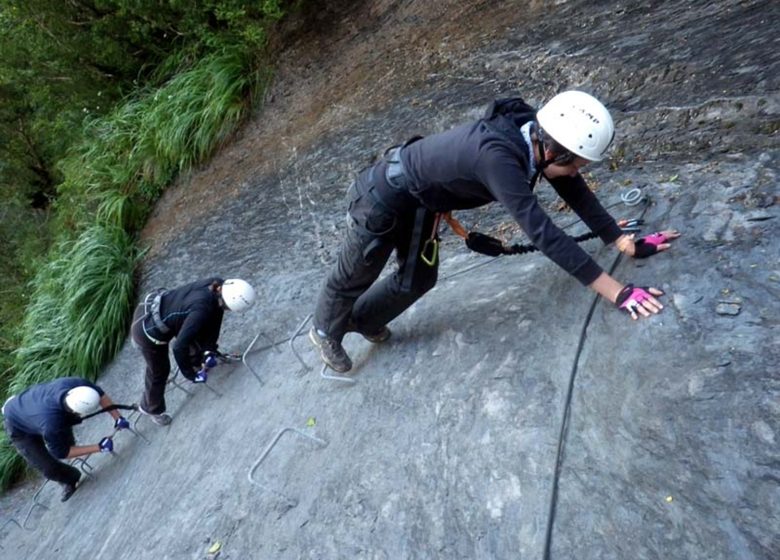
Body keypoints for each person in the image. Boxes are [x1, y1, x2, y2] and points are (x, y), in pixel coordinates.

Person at [309, 91, 680, 372]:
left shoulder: (538, 137)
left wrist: (621, 241)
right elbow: (544, 233)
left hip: (423, 200)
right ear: (556, 152)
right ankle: (325, 331)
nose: (575, 172)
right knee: (359, 270)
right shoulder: (498, 158)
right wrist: (618, 293)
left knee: (419, 278)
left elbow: (573, 187)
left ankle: (364, 320)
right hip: (382, 197)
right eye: (576, 164)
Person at [131, 277, 256, 425]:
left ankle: (198, 361)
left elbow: (215, 320)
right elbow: (178, 348)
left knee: (195, 331)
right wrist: (190, 375)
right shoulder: (201, 309)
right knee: (160, 370)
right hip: (146, 330)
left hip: (167, 309)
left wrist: (209, 349)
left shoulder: (218, 285)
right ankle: (151, 408)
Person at [2, 377, 128, 502]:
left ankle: (65, 442)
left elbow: (101, 396)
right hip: (17, 425)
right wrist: (99, 447)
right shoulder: (52, 424)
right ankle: (70, 479)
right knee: (48, 468)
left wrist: (118, 418)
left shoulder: (77, 384)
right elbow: (62, 452)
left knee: (67, 441)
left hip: (32, 407)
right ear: (73, 410)